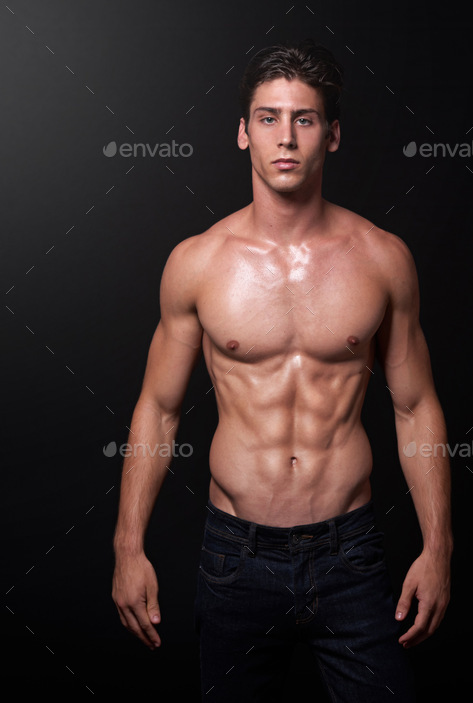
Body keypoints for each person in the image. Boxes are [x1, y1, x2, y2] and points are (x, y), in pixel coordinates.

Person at [111, 39, 452, 702]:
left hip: (350, 553)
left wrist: (438, 548)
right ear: (243, 133)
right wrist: (128, 546)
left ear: (333, 134)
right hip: (234, 556)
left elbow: (417, 407)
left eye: (305, 117)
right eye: (268, 117)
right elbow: (158, 407)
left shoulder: (383, 260)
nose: (286, 136)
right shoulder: (198, 263)